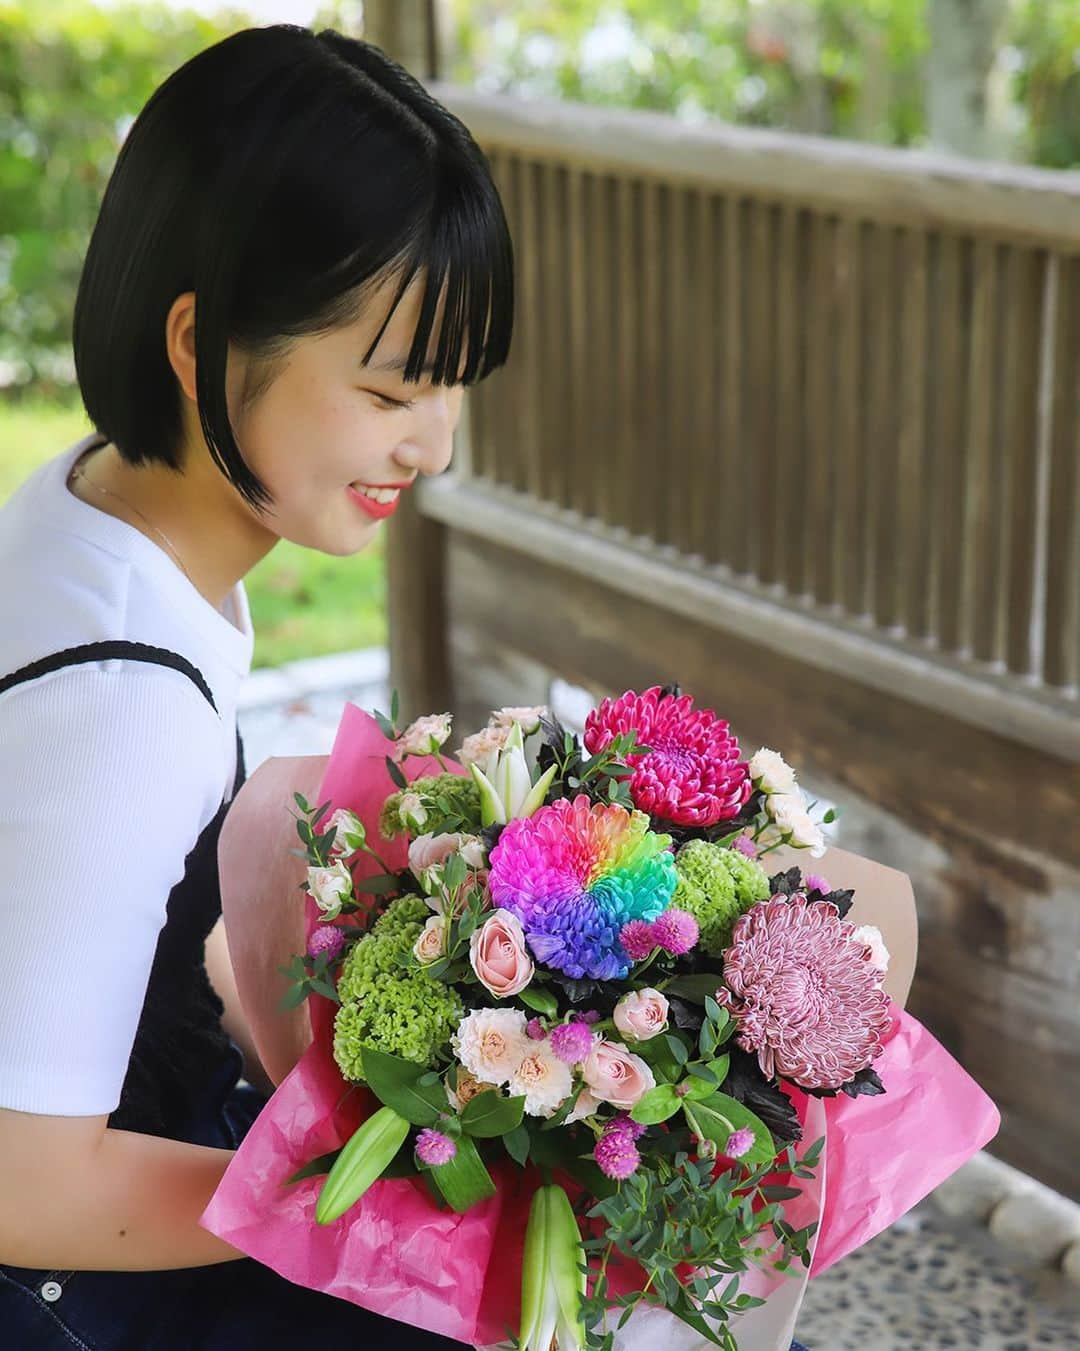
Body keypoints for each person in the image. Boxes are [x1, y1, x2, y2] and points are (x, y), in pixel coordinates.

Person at [0, 23, 512, 1347]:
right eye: (395, 385)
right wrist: (376, 1200)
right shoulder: (122, 702)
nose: (436, 443)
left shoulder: (84, 511)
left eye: (452, 384)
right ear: (204, 338)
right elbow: (25, 1187)